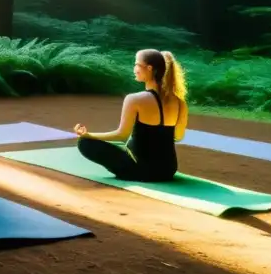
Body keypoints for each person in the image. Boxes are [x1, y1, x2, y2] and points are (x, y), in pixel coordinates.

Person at [75, 49, 189, 182]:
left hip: (142, 170)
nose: (134, 68)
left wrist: (89, 135)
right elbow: (178, 136)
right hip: (168, 170)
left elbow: (122, 135)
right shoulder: (180, 102)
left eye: (137, 64)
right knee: (134, 143)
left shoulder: (134, 99)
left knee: (84, 143)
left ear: (149, 68)